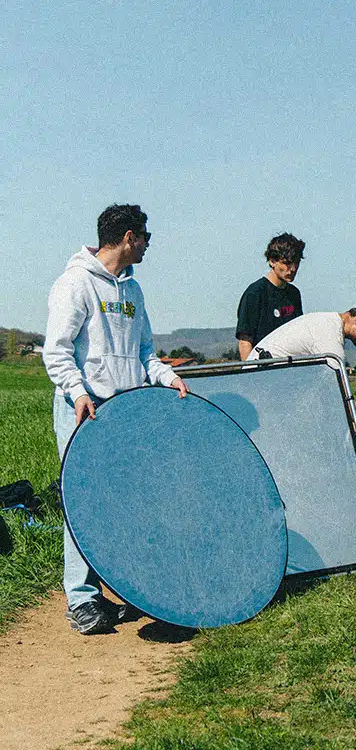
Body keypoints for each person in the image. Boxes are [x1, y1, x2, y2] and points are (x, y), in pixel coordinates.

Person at [43, 204, 188, 635]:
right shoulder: (74, 283)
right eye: (144, 237)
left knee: (123, 503)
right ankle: (82, 599)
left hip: (125, 409)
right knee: (82, 500)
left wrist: (167, 376)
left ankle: (119, 589)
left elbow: (145, 352)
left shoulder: (133, 291)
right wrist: (78, 392)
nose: (147, 245)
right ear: (128, 237)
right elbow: (57, 349)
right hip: (82, 408)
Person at [247, 302, 356, 444]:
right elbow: (343, 399)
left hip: (268, 386)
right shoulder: (329, 337)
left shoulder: (327, 323)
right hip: (260, 390)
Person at [235, 233, 305, 359]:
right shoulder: (255, 293)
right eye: (287, 263)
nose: (293, 268)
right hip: (263, 368)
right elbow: (245, 341)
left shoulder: (294, 294)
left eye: (296, 262)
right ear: (272, 261)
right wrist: (251, 374)